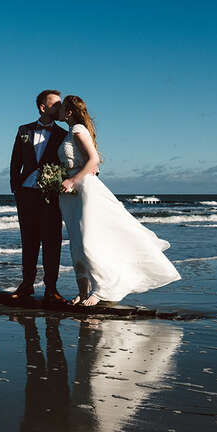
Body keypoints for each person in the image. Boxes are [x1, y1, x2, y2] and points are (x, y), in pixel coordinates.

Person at [57, 95, 181, 306]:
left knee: (89, 240)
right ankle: (83, 292)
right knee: (77, 244)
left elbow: (93, 160)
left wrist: (71, 180)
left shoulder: (78, 129)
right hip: (71, 195)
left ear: (68, 111)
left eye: (61, 107)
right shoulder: (70, 131)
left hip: (84, 189)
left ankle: (102, 289)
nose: (58, 110)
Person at [9, 90, 68, 305]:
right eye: (55, 105)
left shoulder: (63, 134)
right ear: (43, 107)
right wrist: (15, 188)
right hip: (25, 193)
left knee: (52, 241)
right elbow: (15, 160)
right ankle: (27, 285)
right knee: (29, 241)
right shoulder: (23, 130)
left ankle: (51, 289)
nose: (59, 108)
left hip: (50, 195)